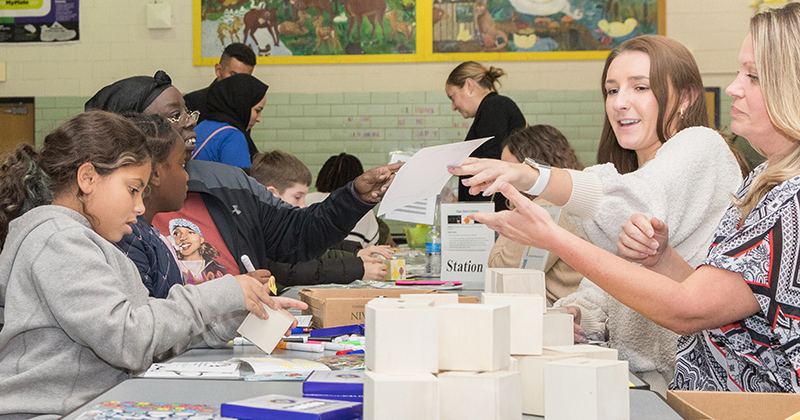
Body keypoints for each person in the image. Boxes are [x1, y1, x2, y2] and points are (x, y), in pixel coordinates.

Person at [460, 4, 800, 393]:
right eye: (611, 90)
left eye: (640, 87)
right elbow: (657, 280)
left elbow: (686, 302)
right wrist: (649, 266)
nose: (733, 87)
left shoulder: (707, 148)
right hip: (686, 388)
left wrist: (538, 184)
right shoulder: (762, 179)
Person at [0, 111, 307, 417]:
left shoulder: (89, 243)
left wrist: (233, 310)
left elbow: (154, 341)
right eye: (133, 189)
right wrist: (219, 294)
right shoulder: (59, 240)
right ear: (88, 178)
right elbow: (127, 339)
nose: (140, 207)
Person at [86, 72, 402, 299]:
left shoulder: (227, 181)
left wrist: (355, 196)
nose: (190, 121)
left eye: (189, 112)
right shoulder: (105, 210)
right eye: (174, 116)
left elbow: (298, 233)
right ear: (134, 129)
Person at [250, 150, 393, 289]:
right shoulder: (261, 231)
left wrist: (356, 253)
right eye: (297, 197)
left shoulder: (275, 228)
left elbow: (319, 251)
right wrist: (357, 268)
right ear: (271, 194)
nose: (303, 205)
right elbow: (293, 270)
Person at [488, 125, 584, 304]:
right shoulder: (568, 197)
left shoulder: (548, 205)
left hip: (566, 316)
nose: (503, 178)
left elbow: (501, 267)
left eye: (509, 168)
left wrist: (515, 204)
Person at [445, 61, 526, 211]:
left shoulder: (494, 107)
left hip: (498, 209)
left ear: (469, 86)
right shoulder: (492, 109)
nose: (453, 106)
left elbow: (491, 160)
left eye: (452, 97)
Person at [307, 153, 386, 248]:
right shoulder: (364, 211)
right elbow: (372, 248)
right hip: (353, 261)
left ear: (322, 176)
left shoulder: (305, 200)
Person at [192, 73, 268, 166]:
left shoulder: (202, 126)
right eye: (257, 110)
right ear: (242, 105)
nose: (258, 118)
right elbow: (240, 179)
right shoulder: (231, 136)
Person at [184, 42, 257, 123]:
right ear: (218, 70)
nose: (239, 82)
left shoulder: (244, 108)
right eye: (233, 76)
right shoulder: (193, 102)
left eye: (245, 78)